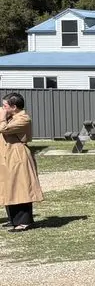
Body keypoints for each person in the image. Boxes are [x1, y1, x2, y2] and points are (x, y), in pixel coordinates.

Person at [0, 93, 42, 231]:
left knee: (21, 187)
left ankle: (24, 221)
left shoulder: (23, 118)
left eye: (5, 106)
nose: (3, 108)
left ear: (14, 107)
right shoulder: (9, 117)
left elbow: (3, 129)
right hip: (7, 156)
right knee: (8, 187)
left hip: (17, 155)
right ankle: (13, 219)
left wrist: (2, 117)